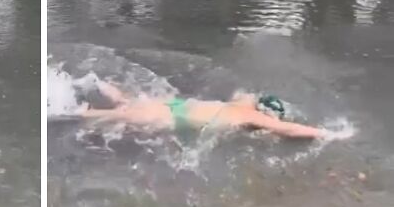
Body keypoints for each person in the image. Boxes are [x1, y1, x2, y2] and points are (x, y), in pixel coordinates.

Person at [79, 80, 325, 139]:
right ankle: (68, 112)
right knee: (108, 116)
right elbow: (288, 129)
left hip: (173, 105)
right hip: (171, 115)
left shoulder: (236, 105)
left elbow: (242, 93)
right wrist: (325, 133)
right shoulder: (246, 114)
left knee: (127, 105)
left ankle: (94, 83)